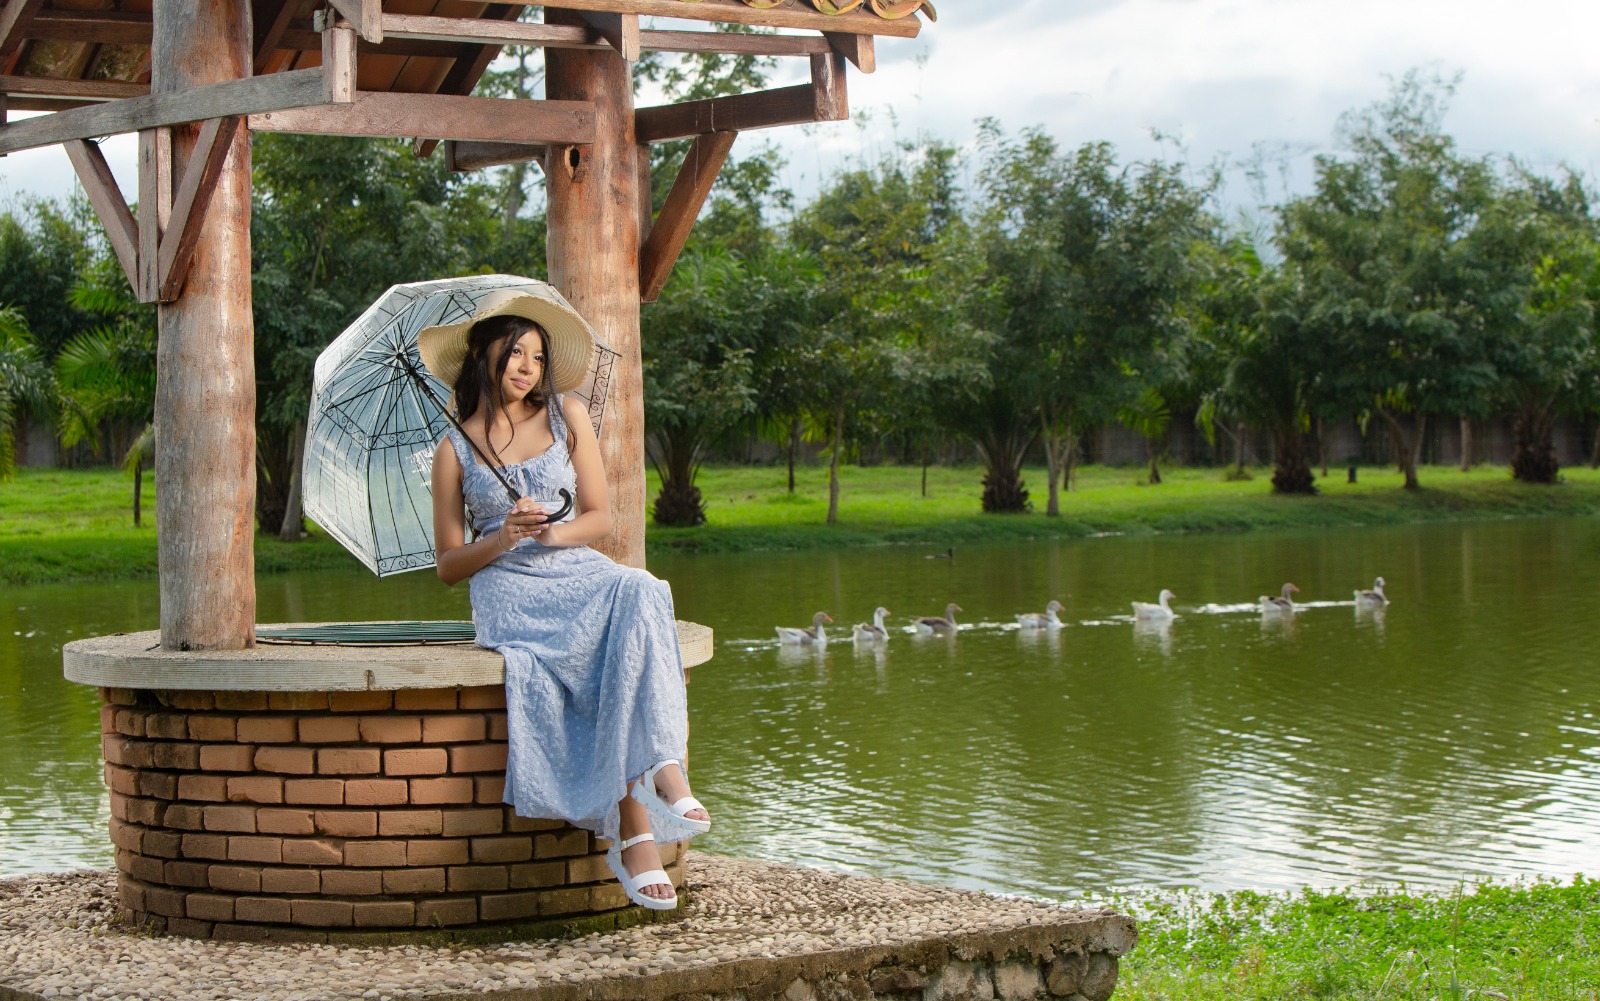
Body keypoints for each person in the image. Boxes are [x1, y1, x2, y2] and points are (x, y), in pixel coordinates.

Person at [422, 285, 709, 911]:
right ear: (483, 355)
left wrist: (550, 532)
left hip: (572, 563)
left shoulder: (567, 416)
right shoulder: (454, 449)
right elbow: (447, 566)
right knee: (615, 643)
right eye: (515, 353)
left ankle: (659, 765)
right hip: (508, 588)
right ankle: (636, 831)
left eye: (538, 357)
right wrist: (503, 536)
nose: (528, 367)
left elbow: (600, 516)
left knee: (640, 588)